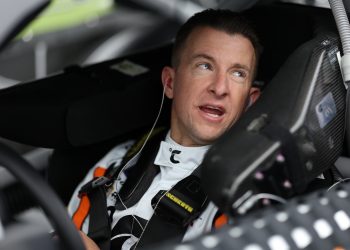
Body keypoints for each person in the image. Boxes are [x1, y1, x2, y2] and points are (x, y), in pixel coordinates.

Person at [68, 9, 262, 250]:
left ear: (250, 101)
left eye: (237, 73)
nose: (220, 88)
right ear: (170, 82)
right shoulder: (114, 164)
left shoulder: (245, 193)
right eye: (205, 66)